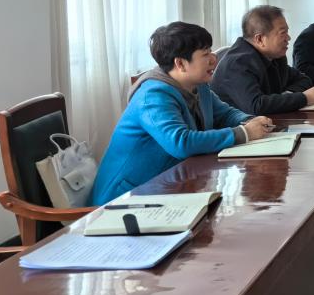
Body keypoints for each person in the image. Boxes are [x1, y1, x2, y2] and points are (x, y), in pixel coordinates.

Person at [91, 22, 273, 205]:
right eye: (205, 54)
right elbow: (181, 143)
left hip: (168, 187)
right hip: (124, 199)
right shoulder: (153, 96)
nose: (213, 59)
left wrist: (252, 121)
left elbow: (225, 114)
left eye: (210, 51)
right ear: (180, 63)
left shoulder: (198, 85)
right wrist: (244, 133)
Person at [211, 5, 314, 115]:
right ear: (260, 39)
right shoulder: (237, 64)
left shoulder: (275, 56)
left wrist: (286, 96)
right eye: (283, 33)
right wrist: (304, 98)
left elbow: (304, 79)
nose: (288, 38)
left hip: (270, 122)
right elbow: (256, 106)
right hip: (239, 126)